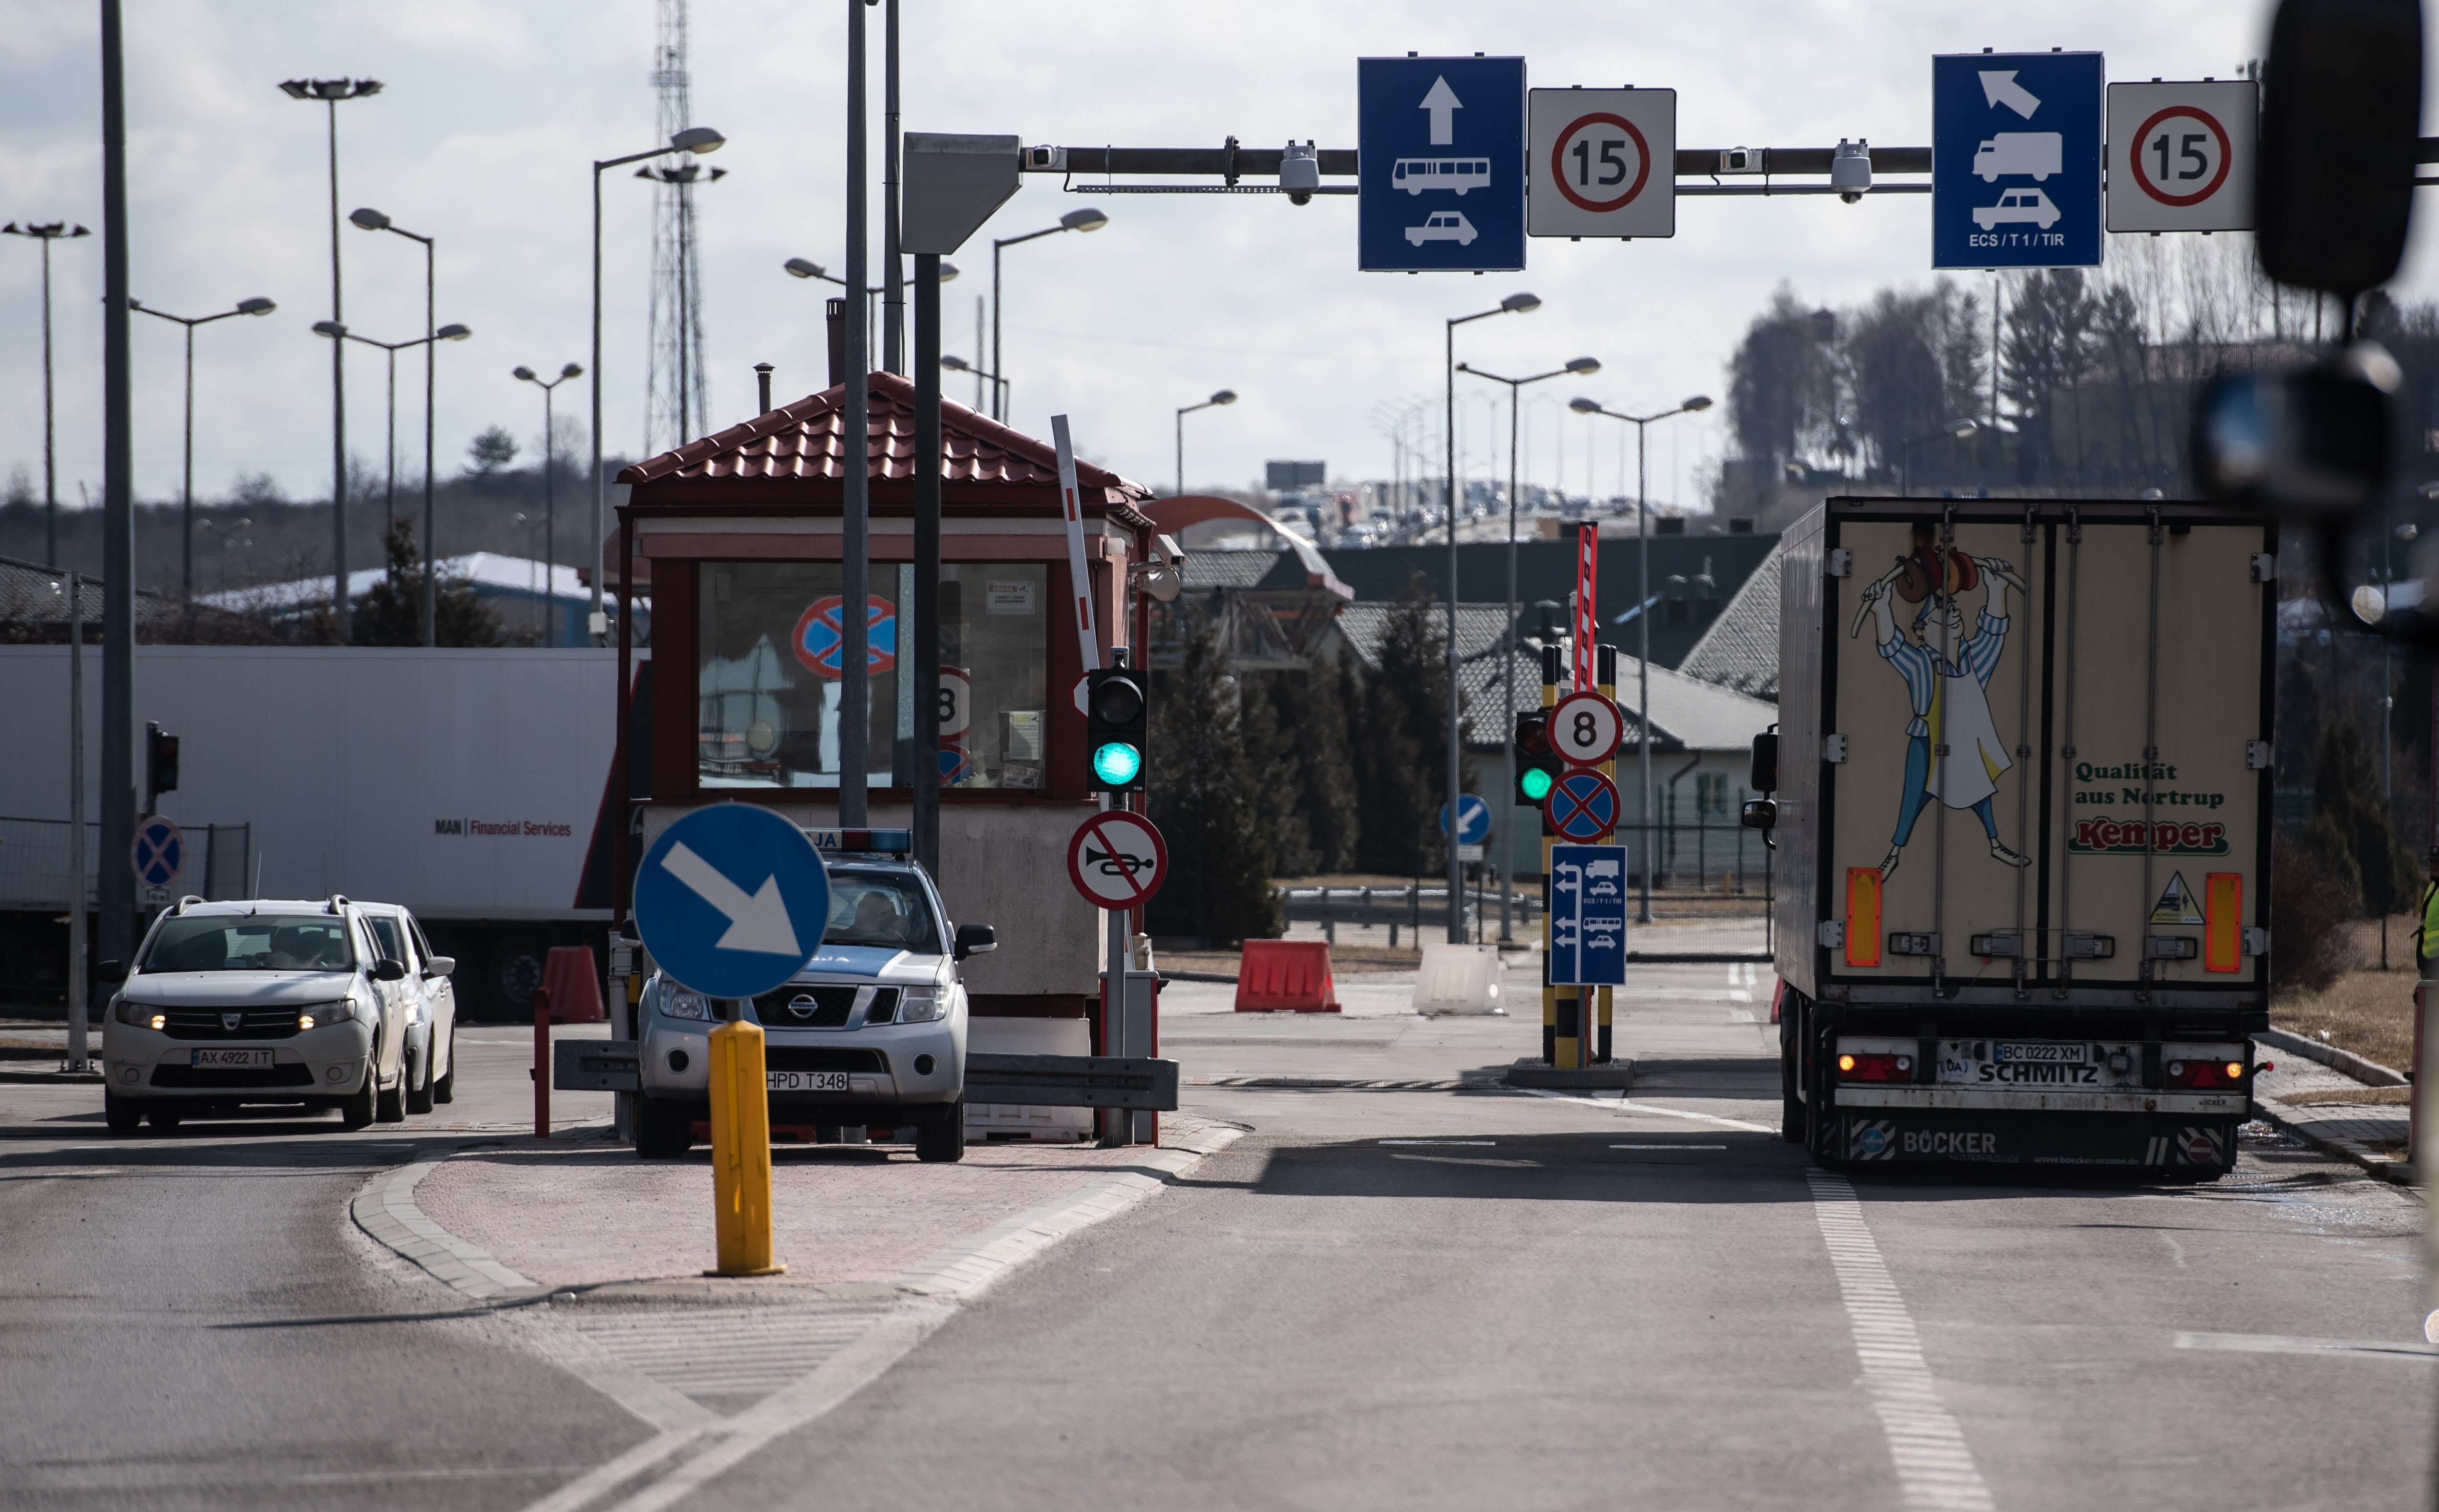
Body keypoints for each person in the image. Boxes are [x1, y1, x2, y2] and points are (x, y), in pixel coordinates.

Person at [1855, 546, 2032, 880]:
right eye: (1941, 613)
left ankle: (1995, 844)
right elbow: (1891, 646)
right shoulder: (1920, 664)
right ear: (1922, 629)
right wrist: (1882, 608)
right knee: (1913, 798)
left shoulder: (1975, 659)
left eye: (1953, 611)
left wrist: (1996, 590)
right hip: (1927, 741)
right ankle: (1893, 854)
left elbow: (1995, 630)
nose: (1952, 615)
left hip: (1966, 740)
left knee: (1979, 790)